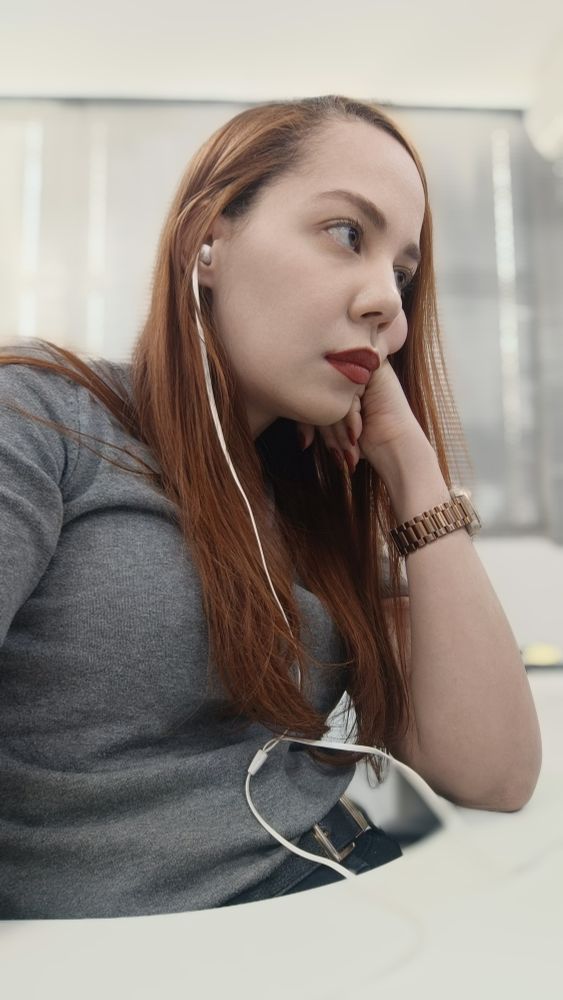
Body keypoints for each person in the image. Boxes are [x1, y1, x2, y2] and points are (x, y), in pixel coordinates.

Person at [0, 95, 542, 919]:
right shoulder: (45, 412)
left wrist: (411, 468)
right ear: (208, 236)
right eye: (346, 234)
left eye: (402, 272)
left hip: (354, 896)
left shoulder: (308, 500)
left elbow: (493, 772)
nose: (387, 306)